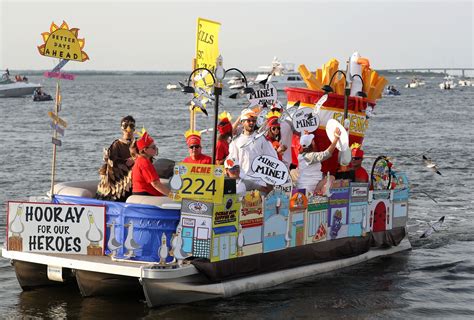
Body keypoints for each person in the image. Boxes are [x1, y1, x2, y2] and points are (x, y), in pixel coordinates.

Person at [96, 115, 136, 201]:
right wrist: (124, 162)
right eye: (125, 126)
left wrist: (135, 160)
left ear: (134, 129)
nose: (128, 130)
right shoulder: (116, 145)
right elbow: (112, 161)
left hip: (135, 176)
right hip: (120, 181)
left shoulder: (138, 143)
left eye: (131, 126)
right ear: (122, 128)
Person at [228, 109, 278, 177]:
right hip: (242, 178)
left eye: (253, 121)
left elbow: (274, 158)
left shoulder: (262, 139)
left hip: (258, 179)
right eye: (248, 121)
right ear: (242, 122)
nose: (251, 123)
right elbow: (231, 161)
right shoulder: (236, 141)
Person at [295, 128, 341, 193]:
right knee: (331, 178)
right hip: (309, 189)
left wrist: (307, 136)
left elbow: (311, 149)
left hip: (304, 186)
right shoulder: (310, 156)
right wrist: (336, 139)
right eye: (312, 140)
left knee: (327, 177)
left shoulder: (301, 156)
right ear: (311, 144)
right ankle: (322, 198)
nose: (314, 142)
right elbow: (327, 154)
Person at [131, 131, 170, 196]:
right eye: (153, 147)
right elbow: (155, 184)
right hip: (145, 194)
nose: (156, 149)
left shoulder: (139, 160)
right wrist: (173, 196)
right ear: (145, 150)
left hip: (140, 192)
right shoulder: (144, 163)